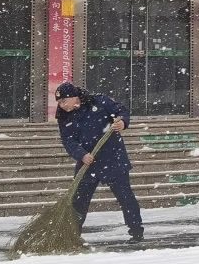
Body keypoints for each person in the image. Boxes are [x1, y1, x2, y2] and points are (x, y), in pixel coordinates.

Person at [53, 82, 144, 241]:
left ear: (74, 97)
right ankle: (73, 235)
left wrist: (122, 123)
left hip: (113, 157)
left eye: (63, 101)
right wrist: (81, 155)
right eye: (59, 102)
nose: (61, 105)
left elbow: (121, 111)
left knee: (125, 198)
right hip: (88, 163)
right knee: (78, 201)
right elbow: (68, 140)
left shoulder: (99, 101)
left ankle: (136, 232)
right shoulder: (63, 116)